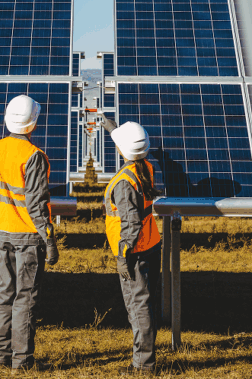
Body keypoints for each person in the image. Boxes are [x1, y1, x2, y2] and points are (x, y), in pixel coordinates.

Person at [0, 95, 59, 371]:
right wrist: (50, 240)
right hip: (27, 237)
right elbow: (37, 204)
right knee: (24, 299)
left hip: (3, 233)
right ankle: (22, 361)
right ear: (33, 122)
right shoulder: (33, 156)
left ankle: (0, 355)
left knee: (3, 294)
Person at [101, 114, 162, 375]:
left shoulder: (124, 182)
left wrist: (122, 256)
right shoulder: (145, 167)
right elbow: (131, 148)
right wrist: (113, 129)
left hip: (134, 251)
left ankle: (143, 366)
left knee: (138, 307)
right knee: (145, 303)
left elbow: (131, 223)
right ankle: (144, 360)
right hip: (150, 243)